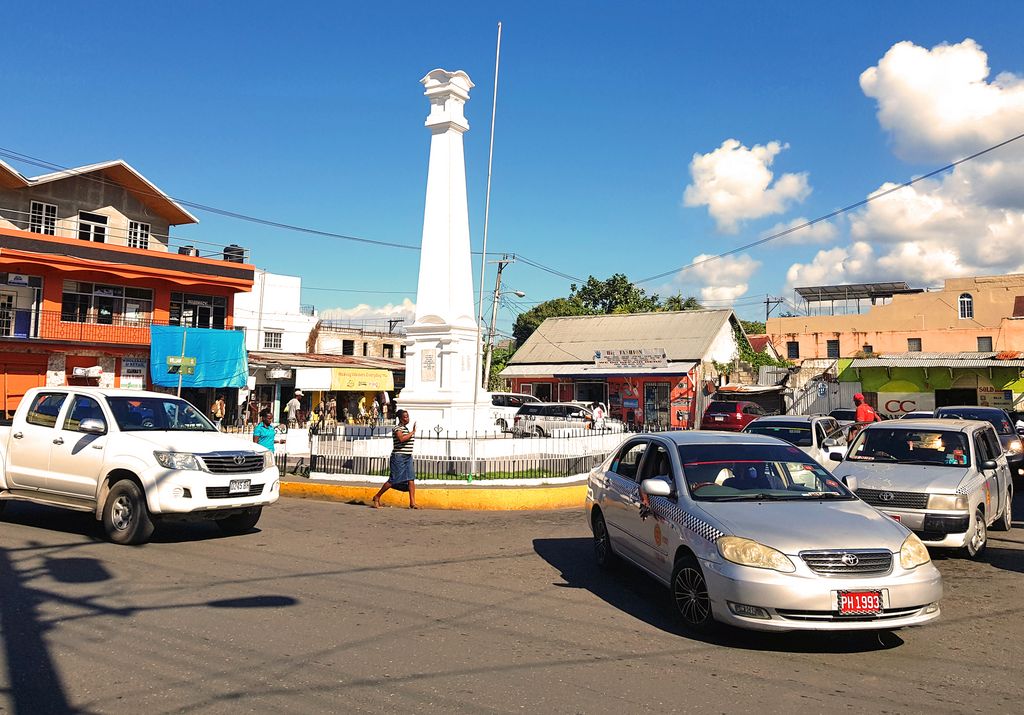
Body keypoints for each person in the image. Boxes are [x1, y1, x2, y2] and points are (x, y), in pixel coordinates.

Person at [372, 409, 418, 509]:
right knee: (393, 480)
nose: (407, 418)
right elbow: (401, 439)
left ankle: (412, 503)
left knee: (411, 479)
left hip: (408, 457)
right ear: (400, 418)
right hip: (399, 457)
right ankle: (377, 496)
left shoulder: (405, 428)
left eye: (408, 416)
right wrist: (413, 432)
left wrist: (410, 432)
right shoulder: (397, 428)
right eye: (405, 417)